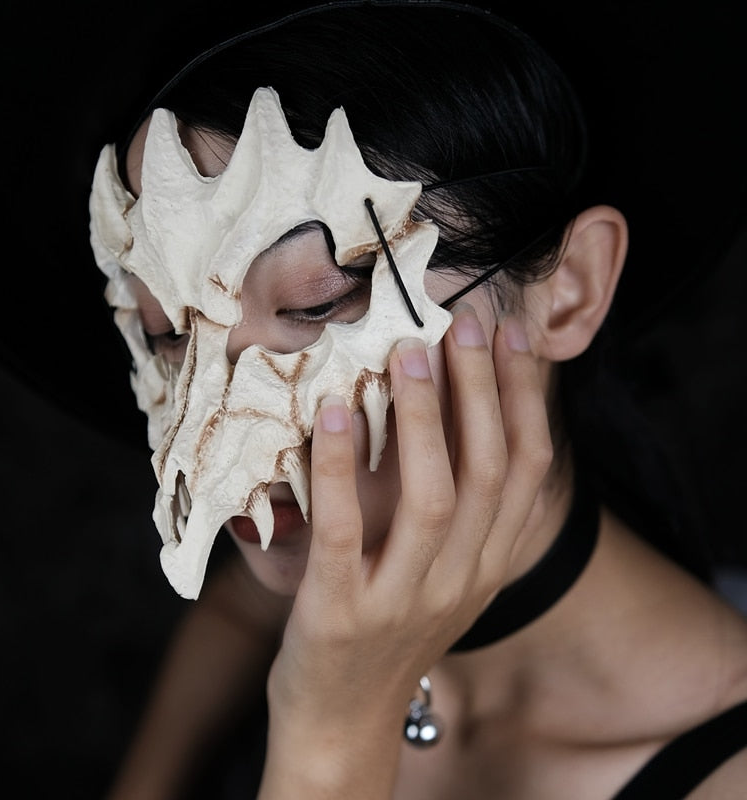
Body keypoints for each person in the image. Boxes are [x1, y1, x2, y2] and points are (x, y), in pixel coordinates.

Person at [88, 2, 747, 797]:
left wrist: (331, 737)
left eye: (316, 301)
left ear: (568, 290)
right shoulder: (256, 616)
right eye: (164, 331)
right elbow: (239, 612)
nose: (212, 428)